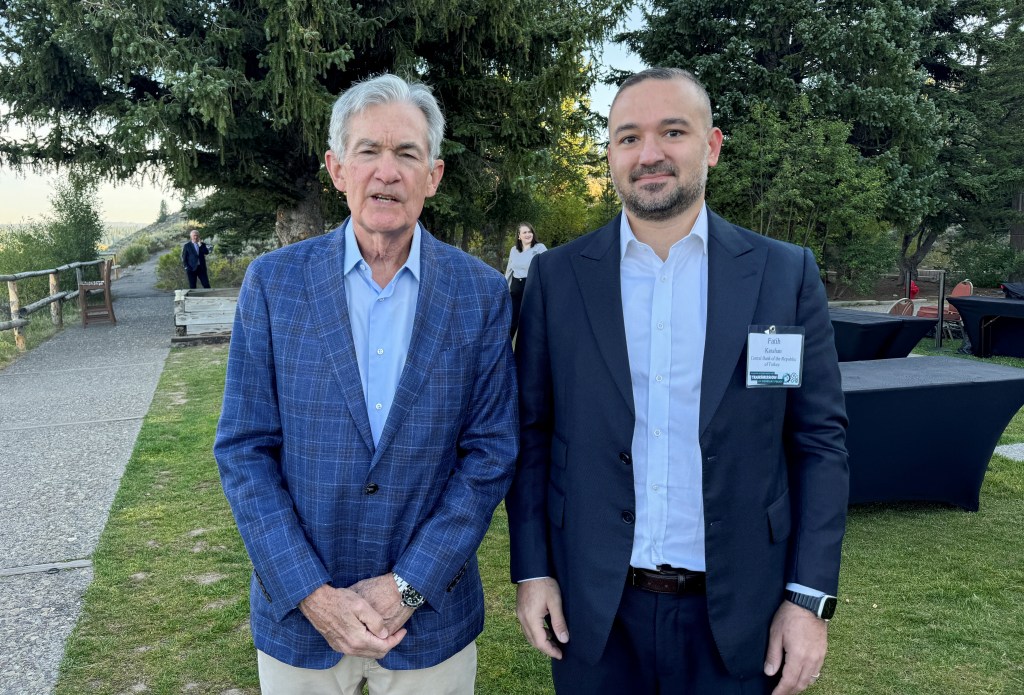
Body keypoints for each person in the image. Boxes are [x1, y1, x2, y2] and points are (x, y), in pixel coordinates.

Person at [506, 67, 849, 695]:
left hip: (743, 612)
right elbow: (531, 434)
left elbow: (820, 443)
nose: (650, 154)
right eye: (628, 137)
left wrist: (808, 599)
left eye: (673, 131)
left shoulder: (783, 275)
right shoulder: (557, 280)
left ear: (712, 145)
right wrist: (532, 571)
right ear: (610, 154)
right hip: (596, 612)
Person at [214, 73, 518, 694]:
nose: (388, 171)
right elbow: (244, 451)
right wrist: (309, 593)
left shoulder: (480, 293)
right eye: (368, 152)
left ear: (432, 175)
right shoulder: (273, 285)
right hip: (302, 624)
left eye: (407, 153)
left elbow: (490, 454)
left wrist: (410, 585)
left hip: (428, 626)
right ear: (336, 169)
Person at [504, 222, 546, 339]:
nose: (528, 234)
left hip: (532, 289)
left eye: (530, 231)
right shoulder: (514, 250)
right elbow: (509, 271)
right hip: (516, 290)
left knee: (530, 323)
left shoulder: (540, 248)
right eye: (525, 232)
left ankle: (527, 354)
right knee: (511, 323)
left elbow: (547, 267)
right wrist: (505, 288)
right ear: (519, 236)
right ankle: (506, 353)